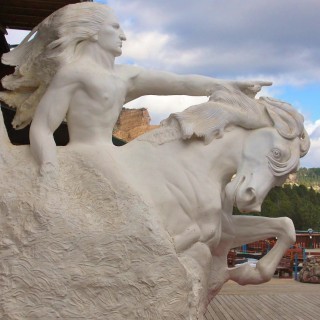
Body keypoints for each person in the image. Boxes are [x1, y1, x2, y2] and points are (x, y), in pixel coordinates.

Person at [0, 2, 270, 176]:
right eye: (115, 28)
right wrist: (49, 168)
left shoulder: (126, 76)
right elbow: (43, 127)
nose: (123, 35)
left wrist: (230, 85)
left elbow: (181, 82)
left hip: (114, 157)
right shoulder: (74, 74)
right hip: (87, 158)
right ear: (93, 32)